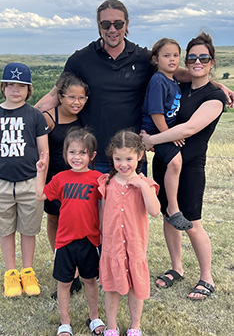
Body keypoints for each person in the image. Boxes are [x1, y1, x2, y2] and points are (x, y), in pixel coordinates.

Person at [35, 0, 213, 174]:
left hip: (131, 159)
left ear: (127, 24)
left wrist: (217, 85)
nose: (112, 29)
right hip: (91, 158)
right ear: (99, 26)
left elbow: (179, 73)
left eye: (118, 24)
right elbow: (54, 96)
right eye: (106, 24)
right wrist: (23, 117)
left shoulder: (143, 58)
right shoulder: (80, 60)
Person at [141, 32, 226, 300]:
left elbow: (189, 128)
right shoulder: (180, 84)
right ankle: (177, 268)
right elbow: (170, 70)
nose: (197, 61)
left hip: (189, 167)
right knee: (168, 216)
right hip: (165, 162)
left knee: (192, 223)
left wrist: (151, 139)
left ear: (212, 61)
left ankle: (206, 278)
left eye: (204, 57)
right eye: (192, 57)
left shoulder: (214, 96)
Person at [0, 62, 49, 297]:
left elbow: (44, 152)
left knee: (29, 230)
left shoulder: (35, 116)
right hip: (0, 182)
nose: (15, 90)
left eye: (21, 85)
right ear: (3, 87)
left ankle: (28, 271)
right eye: (10, 85)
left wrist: (40, 181)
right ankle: (11, 274)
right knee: (6, 230)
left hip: (29, 182)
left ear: (29, 90)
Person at [36, 127, 105, 336]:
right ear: (65, 154)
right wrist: (41, 171)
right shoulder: (60, 178)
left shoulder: (99, 178)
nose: (77, 157)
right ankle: (65, 323)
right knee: (64, 283)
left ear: (92, 156)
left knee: (90, 281)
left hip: (90, 240)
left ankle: (94, 317)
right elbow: (40, 195)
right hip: (64, 241)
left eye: (82, 153)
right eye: (72, 152)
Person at [98, 130, 160, 336]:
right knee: (111, 287)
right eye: (118, 159)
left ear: (140, 156)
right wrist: (100, 235)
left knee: (136, 287)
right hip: (112, 247)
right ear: (112, 157)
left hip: (135, 247)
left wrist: (142, 185)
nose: (123, 164)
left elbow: (154, 211)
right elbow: (103, 213)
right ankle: (112, 326)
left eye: (129, 159)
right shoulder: (107, 182)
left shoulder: (145, 184)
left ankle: (135, 326)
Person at [43, 72, 89, 297]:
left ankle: (78, 270)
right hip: (54, 180)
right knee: (54, 220)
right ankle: (63, 266)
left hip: (78, 181)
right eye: (71, 97)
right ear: (60, 97)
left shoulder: (85, 117)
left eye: (81, 98)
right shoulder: (48, 118)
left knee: (76, 225)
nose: (76, 102)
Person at [141, 37, 192, 231]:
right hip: (156, 130)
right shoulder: (158, 80)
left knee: (173, 164)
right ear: (156, 59)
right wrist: (169, 134)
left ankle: (169, 204)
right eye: (166, 55)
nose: (172, 59)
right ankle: (172, 208)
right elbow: (156, 113)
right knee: (175, 162)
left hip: (164, 131)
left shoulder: (173, 79)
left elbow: (193, 76)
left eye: (176, 55)